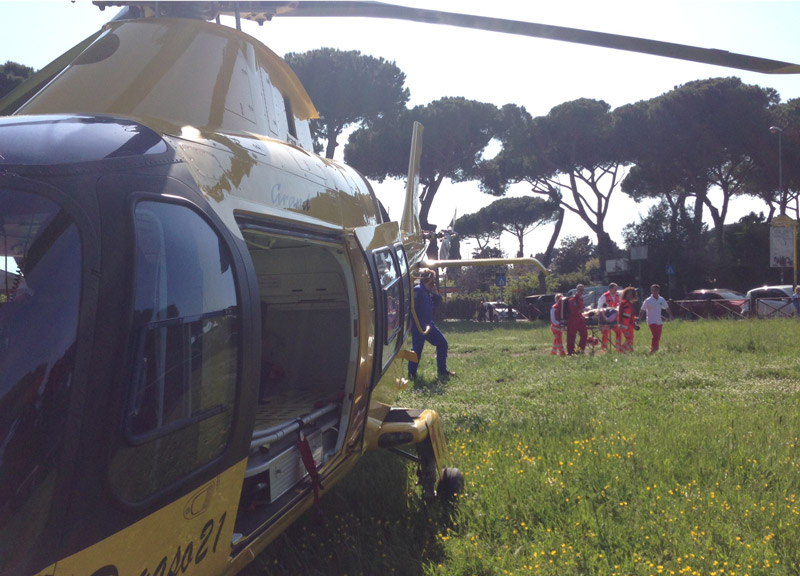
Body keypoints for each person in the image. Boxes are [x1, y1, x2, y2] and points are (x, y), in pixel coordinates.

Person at [409, 268, 454, 379]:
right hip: (419, 326)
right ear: (429, 279)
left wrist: (435, 291)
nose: (434, 281)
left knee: (443, 343)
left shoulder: (429, 292)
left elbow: (438, 302)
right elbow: (411, 307)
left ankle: (442, 371)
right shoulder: (417, 290)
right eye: (433, 278)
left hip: (429, 325)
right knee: (417, 350)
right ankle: (411, 374)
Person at [640, 284, 672, 353]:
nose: (655, 291)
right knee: (655, 335)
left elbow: (667, 308)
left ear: (658, 291)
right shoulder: (648, 300)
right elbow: (642, 310)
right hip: (651, 321)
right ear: (651, 291)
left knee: (658, 336)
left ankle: (656, 349)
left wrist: (671, 315)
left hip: (659, 321)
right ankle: (653, 350)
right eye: (653, 290)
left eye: (656, 290)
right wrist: (639, 319)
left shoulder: (661, 299)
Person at [596, 282, 621, 352]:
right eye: (614, 289)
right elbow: (599, 306)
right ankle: (604, 349)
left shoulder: (617, 296)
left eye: (616, 289)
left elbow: (620, 304)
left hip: (615, 317)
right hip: (606, 315)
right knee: (605, 333)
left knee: (619, 332)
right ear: (610, 289)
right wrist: (601, 316)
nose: (616, 291)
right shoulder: (604, 296)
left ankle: (618, 348)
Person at [566, 284, 587, 355]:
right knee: (571, 336)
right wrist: (583, 310)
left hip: (579, 319)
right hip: (573, 319)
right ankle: (571, 352)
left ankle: (580, 350)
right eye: (580, 290)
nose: (581, 291)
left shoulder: (581, 299)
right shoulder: (573, 299)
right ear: (577, 290)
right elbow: (574, 310)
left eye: (582, 290)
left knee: (584, 334)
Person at [618, 286, 639, 353]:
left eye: (631, 294)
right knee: (629, 339)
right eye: (629, 294)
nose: (630, 295)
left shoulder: (631, 304)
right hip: (624, 325)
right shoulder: (623, 303)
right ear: (625, 294)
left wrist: (634, 323)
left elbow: (632, 315)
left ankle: (631, 351)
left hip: (630, 325)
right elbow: (620, 314)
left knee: (631, 338)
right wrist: (620, 323)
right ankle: (621, 351)